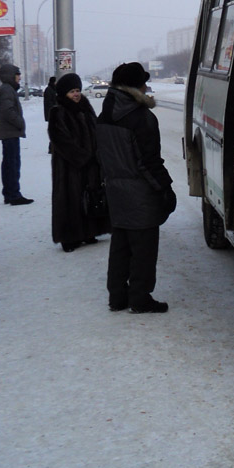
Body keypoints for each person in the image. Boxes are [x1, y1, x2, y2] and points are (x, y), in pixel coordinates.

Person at [96, 62, 175, 314]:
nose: (146, 85)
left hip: (115, 190)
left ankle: (117, 297)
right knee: (143, 248)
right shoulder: (141, 118)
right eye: (143, 82)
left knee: (120, 245)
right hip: (141, 193)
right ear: (136, 86)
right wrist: (165, 189)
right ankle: (140, 298)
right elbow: (149, 162)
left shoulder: (105, 113)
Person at [48, 73, 110, 253]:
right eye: (71, 91)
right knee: (70, 200)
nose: (75, 94)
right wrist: (82, 157)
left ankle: (90, 231)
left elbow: (97, 130)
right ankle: (69, 237)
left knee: (90, 197)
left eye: (77, 90)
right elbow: (60, 140)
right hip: (69, 166)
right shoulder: (58, 112)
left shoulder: (86, 108)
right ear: (63, 93)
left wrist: (98, 154)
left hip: (91, 165)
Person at [0, 63, 33, 205]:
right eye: (17, 75)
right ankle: (14, 195)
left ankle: (9, 193)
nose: (19, 78)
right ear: (11, 76)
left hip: (8, 133)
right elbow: (7, 110)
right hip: (10, 132)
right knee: (12, 164)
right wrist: (19, 122)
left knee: (9, 163)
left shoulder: (6, 89)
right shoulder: (7, 90)